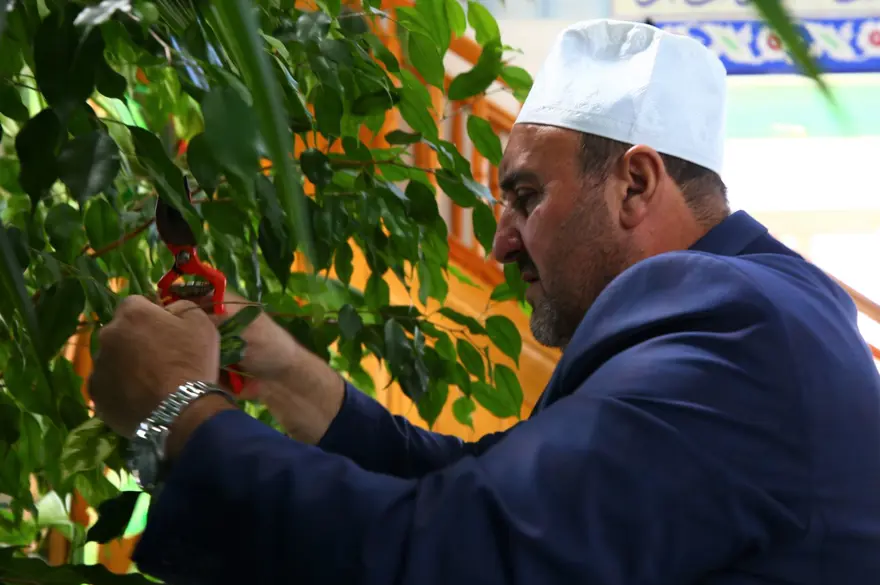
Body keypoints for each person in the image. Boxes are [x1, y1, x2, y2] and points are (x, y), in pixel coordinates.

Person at [88, 19, 880, 585]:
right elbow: (491, 478)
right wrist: (293, 374)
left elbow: (456, 551)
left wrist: (179, 412)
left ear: (635, 183)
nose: (501, 245)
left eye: (526, 197)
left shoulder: (728, 325)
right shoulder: (753, 313)